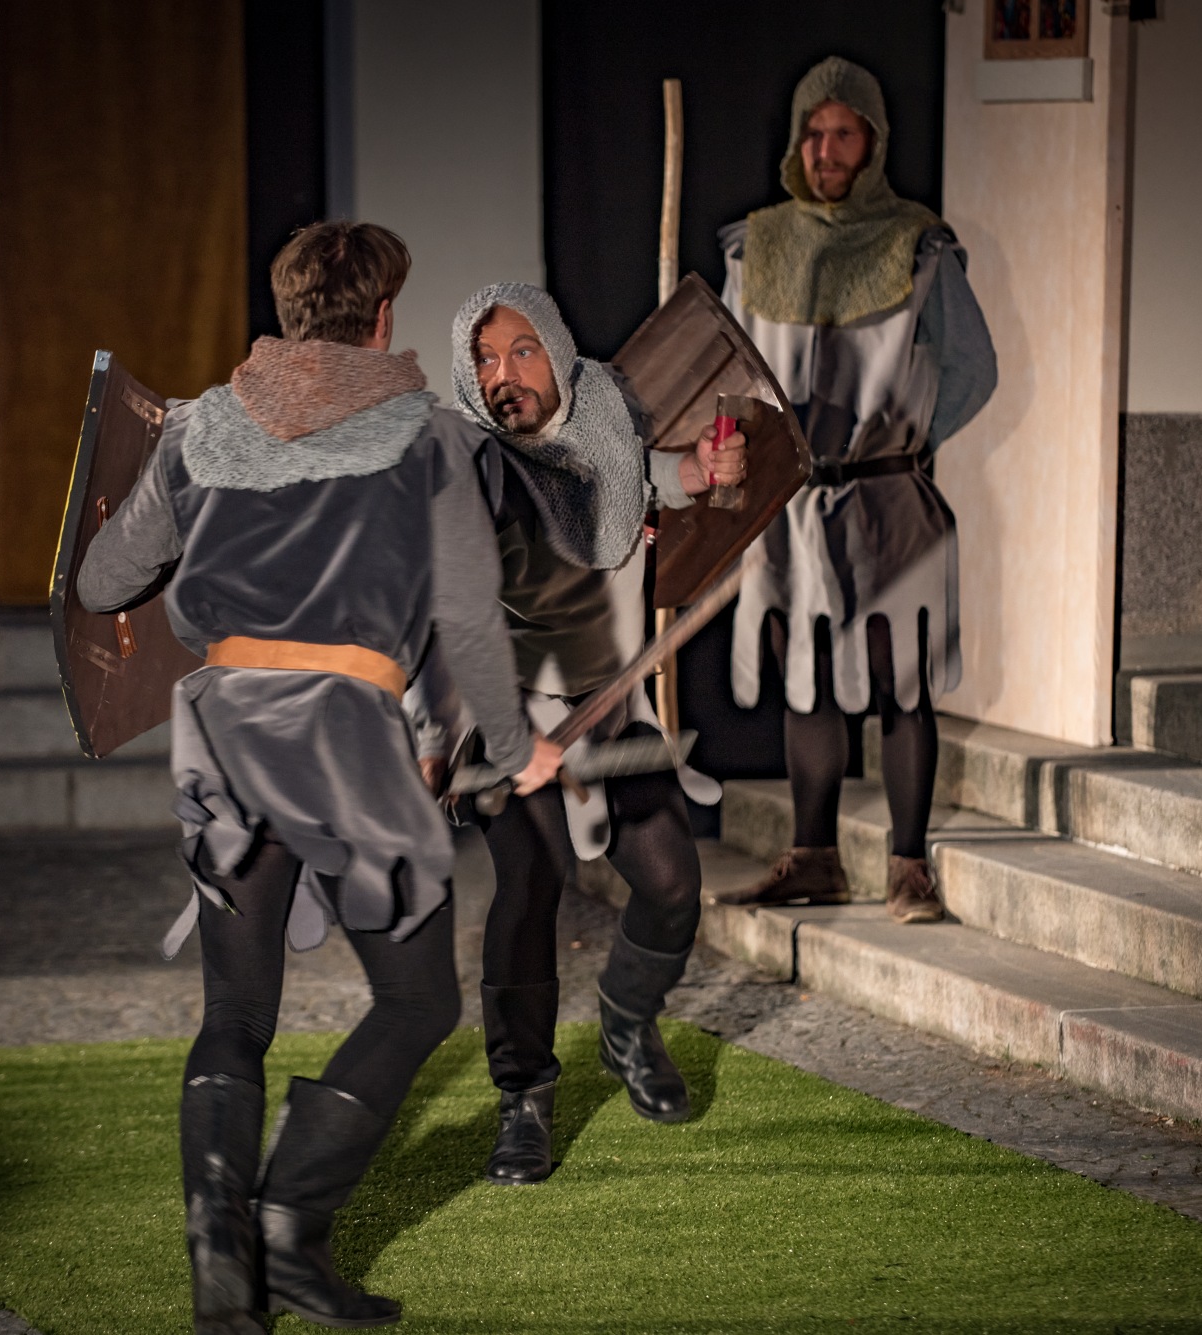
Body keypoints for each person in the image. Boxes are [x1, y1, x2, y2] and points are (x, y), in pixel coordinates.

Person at [78, 222, 559, 1333]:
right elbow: (466, 615)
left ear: (289, 311)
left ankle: (221, 1269)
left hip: (222, 733)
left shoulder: (198, 428)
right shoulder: (428, 436)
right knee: (417, 998)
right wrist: (510, 742)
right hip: (340, 735)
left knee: (237, 1011)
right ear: (382, 317)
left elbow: (102, 582)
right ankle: (289, 1227)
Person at [420, 282, 743, 1186]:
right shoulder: (470, 465)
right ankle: (523, 1093)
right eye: (485, 359)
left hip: (611, 707)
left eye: (521, 351)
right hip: (511, 716)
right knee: (530, 885)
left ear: (557, 352)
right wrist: (446, 735)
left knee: (672, 883)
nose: (503, 374)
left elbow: (636, 479)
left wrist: (699, 472)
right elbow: (441, 612)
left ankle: (627, 1021)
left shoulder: (605, 415)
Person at [710, 56, 996, 923]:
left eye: (843, 133)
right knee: (808, 680)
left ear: (873, 143)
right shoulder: (755, 248)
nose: (826, 150)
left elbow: (972, 367)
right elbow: (727, 372)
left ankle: (908, 868)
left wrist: (905, 440)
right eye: (815, 132)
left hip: (886, 500)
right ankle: (814, 858)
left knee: (898, 679)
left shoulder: (918, 245)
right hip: (790, 506)